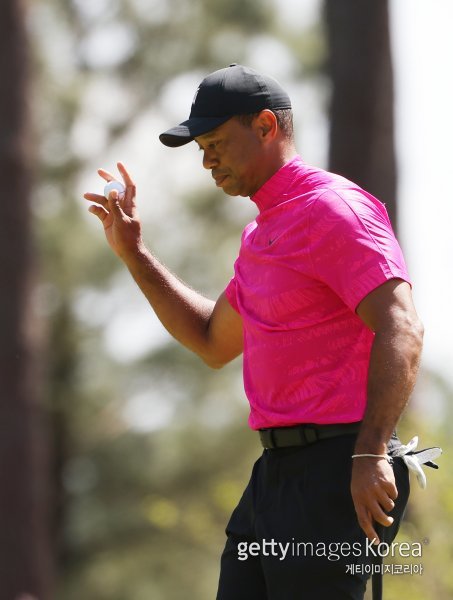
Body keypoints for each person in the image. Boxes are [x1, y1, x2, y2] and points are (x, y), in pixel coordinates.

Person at [84, 64, 424, 599]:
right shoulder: (263, 234)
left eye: (216, 143)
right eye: (202, 149)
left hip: (340, 465)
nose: (207, 161)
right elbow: (211, 341)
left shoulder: (332, 209)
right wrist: (134, 252)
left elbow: (401, 326)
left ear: (266, 126)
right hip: (275, 474)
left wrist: (371, 452)